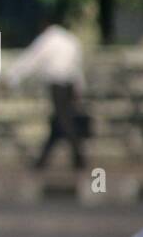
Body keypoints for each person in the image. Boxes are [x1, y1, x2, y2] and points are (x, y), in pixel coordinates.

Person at [7, 21, 88, 171]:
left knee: (63, 121)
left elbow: (31, 60)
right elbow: (77, 67)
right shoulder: (71, 40)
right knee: (58, 122)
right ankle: (42, 161)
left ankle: (78, 155)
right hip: (69, 85)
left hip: (57, 85)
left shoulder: (48, 39)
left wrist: (12, 78)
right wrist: (80, 88)